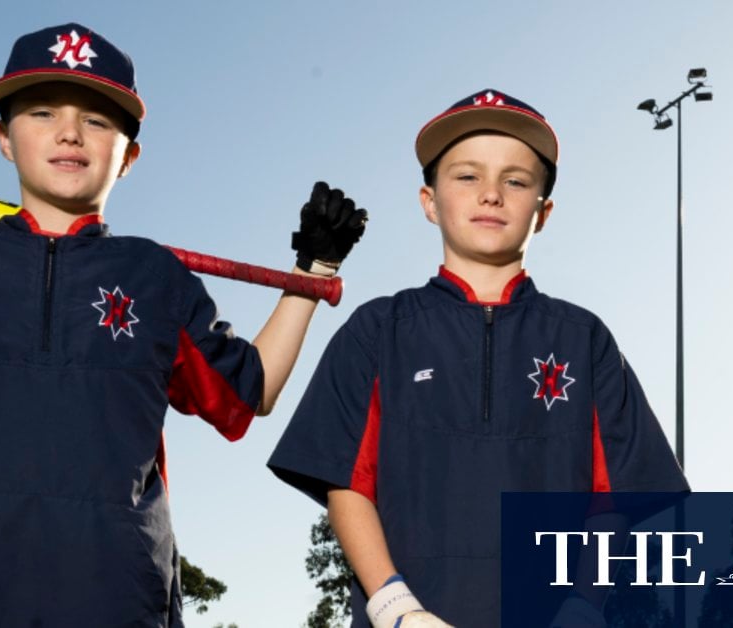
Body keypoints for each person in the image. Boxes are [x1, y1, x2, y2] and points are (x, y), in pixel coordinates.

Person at [0, 23, 365, 626]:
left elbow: (251, 390)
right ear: (4, 138)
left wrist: (311, 273)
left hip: (115, 595)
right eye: (43, 111)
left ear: (129, 156)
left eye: (99, 120)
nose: (69, 132)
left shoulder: (153, 275)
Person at [268, 89, 688, 626]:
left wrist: (585, 604)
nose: (491, 194)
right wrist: (394, 605)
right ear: (429, 200)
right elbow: (347, 484)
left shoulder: (585, 338)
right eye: (467, 176)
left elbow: (614, 499)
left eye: (515, 180)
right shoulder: (377, 330)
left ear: (544, 211)